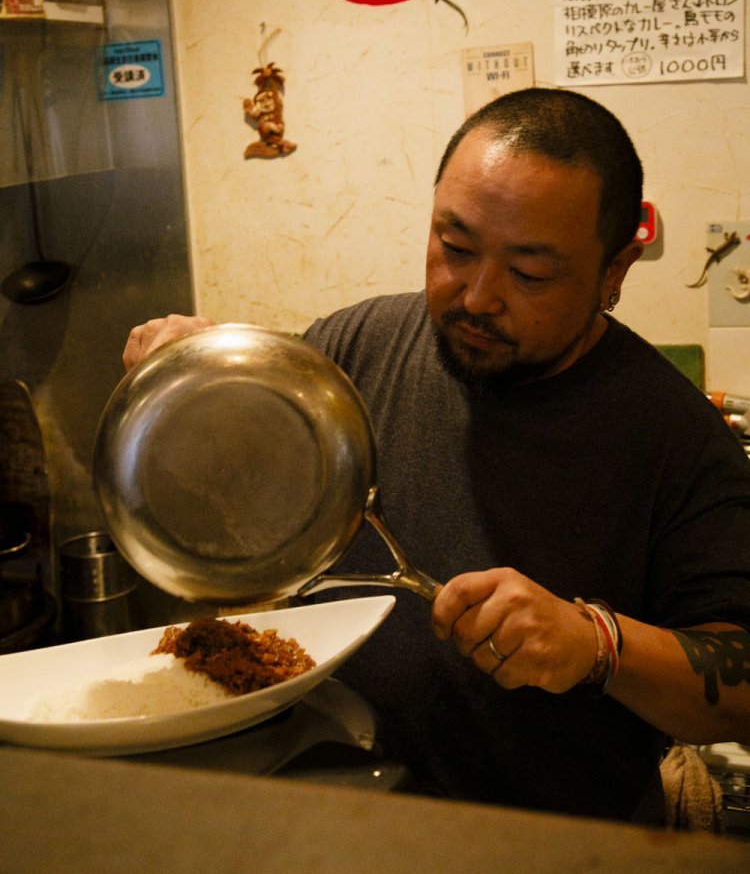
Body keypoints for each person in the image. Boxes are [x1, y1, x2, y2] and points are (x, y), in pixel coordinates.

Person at [123, 87, 750, 824]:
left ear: (616, 269)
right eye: (455, 247)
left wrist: (596, 643)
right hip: (332, 816)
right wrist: (194, 383)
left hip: (546, 849)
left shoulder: (674, 435)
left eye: (530, 273)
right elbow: (247, 485)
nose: (477, 296)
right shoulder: (355, 348)